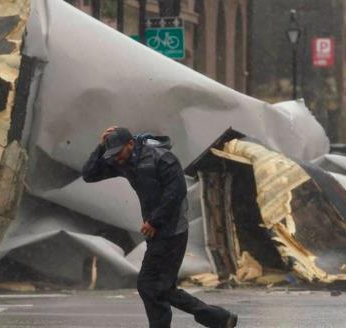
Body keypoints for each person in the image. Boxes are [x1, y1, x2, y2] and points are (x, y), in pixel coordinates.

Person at [82, 126, 238, 328]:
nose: (117, 159)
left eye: (118, 153)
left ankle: (217, 318)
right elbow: (89, 175)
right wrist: (101, 147)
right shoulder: (125, 161)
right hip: (156, 232)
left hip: (173, 231)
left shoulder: (161, 158)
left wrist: (154, 221)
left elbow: (176, 191)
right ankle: (219, 319)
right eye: (113, 155)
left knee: (151, 285)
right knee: (160, 288)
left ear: (131, 144)